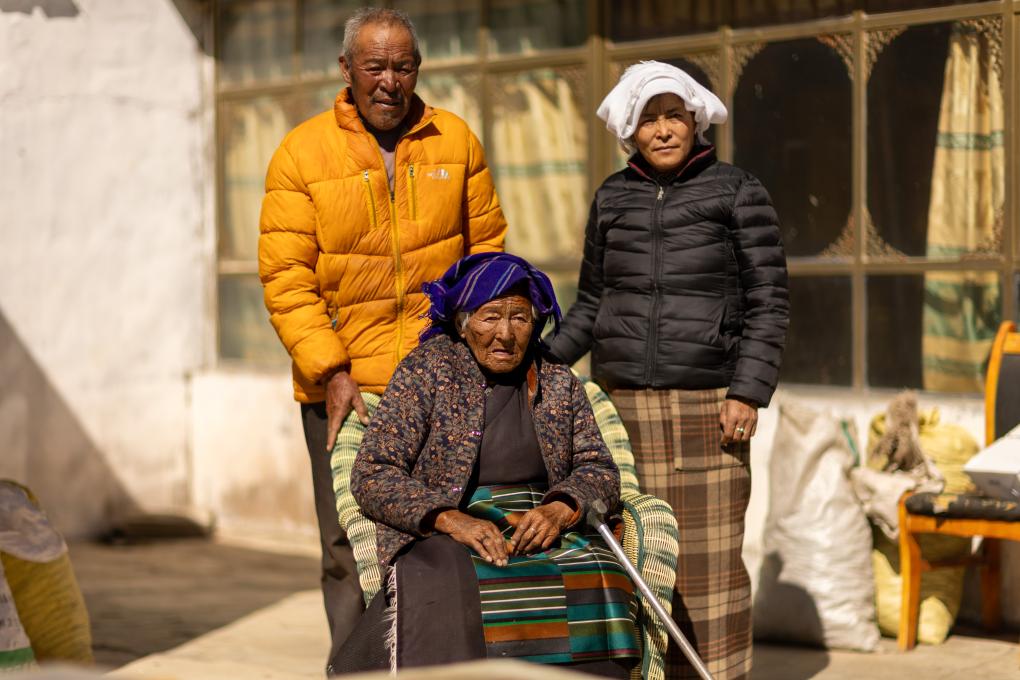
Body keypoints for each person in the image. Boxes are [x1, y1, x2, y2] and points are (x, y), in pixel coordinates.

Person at [257, 8, 506, 670]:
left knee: (444, 534)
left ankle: (437, 664)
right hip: (348, 392)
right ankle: (354, 667)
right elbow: (286, 279)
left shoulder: (456, 141)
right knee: (347, 545)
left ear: (418, 70)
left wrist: (476, 358)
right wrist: (330, 370)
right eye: (375, 67)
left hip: (441, 384)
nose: (389, 81)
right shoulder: (301, 153)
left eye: (403, 66)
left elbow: (487, 258)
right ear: (347, 69)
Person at [546, 61, 789, 680]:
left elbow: (769, 301)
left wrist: (747, 392)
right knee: (631, 558)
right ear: (630, 129)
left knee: (708, 567)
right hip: (622, 410)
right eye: (649, 118)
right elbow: (592, 304)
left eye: (673, 116)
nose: (662, 130)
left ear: (694, 120)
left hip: (708, 408)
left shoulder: (737, 191)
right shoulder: (612, 197)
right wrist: (538, 365)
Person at [348, 253, 639, 677]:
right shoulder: (426, 371)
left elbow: (598, 468)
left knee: (598, 572)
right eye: (490, 317)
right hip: (449, 528)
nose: (505, 333)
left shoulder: (558, 380)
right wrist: (449, 519)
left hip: (539, 524)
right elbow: (373, 472)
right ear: (463, 324)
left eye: (519, 318)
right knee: (446, 579)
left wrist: (561, 509)